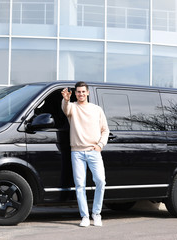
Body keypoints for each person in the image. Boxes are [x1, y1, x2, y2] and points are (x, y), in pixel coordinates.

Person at [61, 81, 109, 227]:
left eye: (83, 91)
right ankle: (85, 216)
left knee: (101, 181)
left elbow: (105, 130)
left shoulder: (97, 109)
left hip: (94, 151)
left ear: (88, 92)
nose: (81, 94)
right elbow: (65, 109)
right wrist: (66, 99)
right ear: (75, 93)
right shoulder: (72, 107)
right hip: (77, 152)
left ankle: (96, 213)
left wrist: (100, 145)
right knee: (80, 185)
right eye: (78, 92)